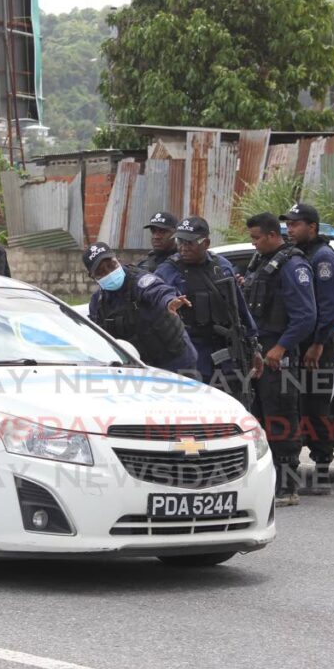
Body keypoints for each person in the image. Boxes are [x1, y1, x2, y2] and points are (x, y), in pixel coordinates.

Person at [242, 213, 317, 507]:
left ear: (274, 235)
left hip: (278, 354)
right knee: (258, 416)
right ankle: (267, 482)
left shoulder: (294, 265)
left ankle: (287, 486)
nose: (254, 243)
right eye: (252, 238)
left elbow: (306, 316)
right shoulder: (260, 262)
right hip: (260, 352)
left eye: (257, 237)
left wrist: (282, 348)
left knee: (281, 417)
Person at [154, 216, 263, 404]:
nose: (183, 247)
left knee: (235, 406)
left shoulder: (221, 266)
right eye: (180, 241)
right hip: (191, 354)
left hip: (227, 356)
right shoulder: (167, 271)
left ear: (206, 243)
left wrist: (254, 347)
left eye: (190, 242)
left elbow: (239, 309)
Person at [283, 204, 334, 495]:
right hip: (302, 342)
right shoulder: (299, 255)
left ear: (312, 227)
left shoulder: (323, 258)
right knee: (297, 404)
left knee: (316, 405)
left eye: (296, 224)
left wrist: (318, 343)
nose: (290, 229)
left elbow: (332, 305)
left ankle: (321, 471)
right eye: (288, 224)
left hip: (318, 345)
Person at [84, 242, 198, 375]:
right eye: (101, 272)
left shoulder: (139, 280)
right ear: (92, 277)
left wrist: (170, 301)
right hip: (142, 369)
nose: (109, 273)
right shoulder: (98, 302)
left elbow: (158, 290)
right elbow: (95, 335)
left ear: (118, 260)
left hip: (176, 361)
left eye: (111, 265)